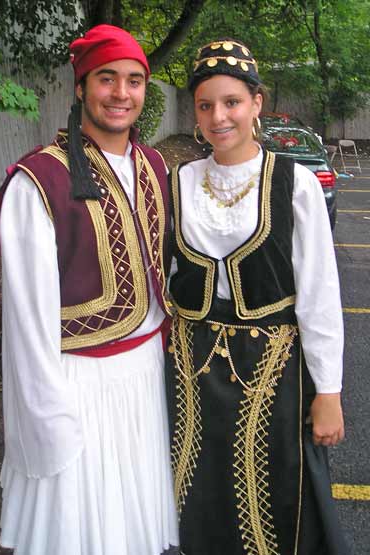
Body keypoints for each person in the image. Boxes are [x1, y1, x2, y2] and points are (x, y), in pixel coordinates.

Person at [0, 24, 179, 555]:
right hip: (75, 383)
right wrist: (45, 417)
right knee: (78, 529)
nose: (122, 93)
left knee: (132, 523)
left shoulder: (155, 166)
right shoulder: (39, 181)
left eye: (135, 80)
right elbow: (26, 320)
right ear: (80, 87)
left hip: (144, 376)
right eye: (107, 78)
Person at [166, 39, 349, 555]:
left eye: (231, 102)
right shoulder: (179, 181)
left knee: (278, 492)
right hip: (190, 370)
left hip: (273, 370)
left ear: (256, 104)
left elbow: (319, 294)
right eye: (205, 105)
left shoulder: (296, 184)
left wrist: (328, 392)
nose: (218, 116)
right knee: (197, 491)